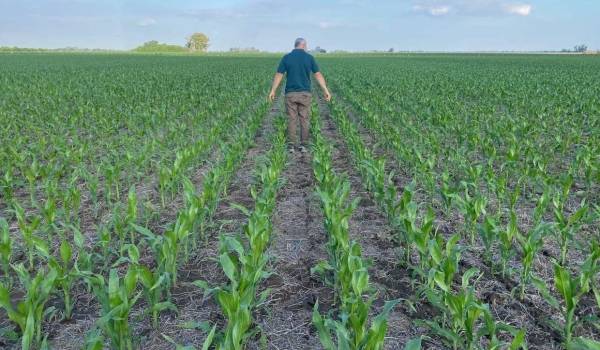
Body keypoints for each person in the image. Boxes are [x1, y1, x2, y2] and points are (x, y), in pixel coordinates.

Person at [268, 37, 331, 153]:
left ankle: (291, 146)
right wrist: (325, 90)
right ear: (303, 45)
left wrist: (273, 90)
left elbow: (279, 75)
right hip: (305, 94)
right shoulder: (309, 58)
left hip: (290, 94)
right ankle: (304, 145)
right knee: (304, 119)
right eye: (306, 45)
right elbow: (317, 75)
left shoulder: (287, 58)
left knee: (291, 119)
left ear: (295, 45)